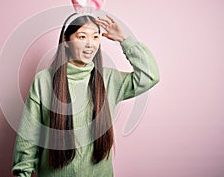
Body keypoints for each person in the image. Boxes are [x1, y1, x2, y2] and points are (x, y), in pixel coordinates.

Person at [11, 12, 159, 177]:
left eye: (95, 37)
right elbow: (28, 138)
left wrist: (125, 40)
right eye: (82, 36)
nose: (90, 44)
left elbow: (150, 76)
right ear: (66, 42)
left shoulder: (109, 79)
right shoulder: (44, 81)